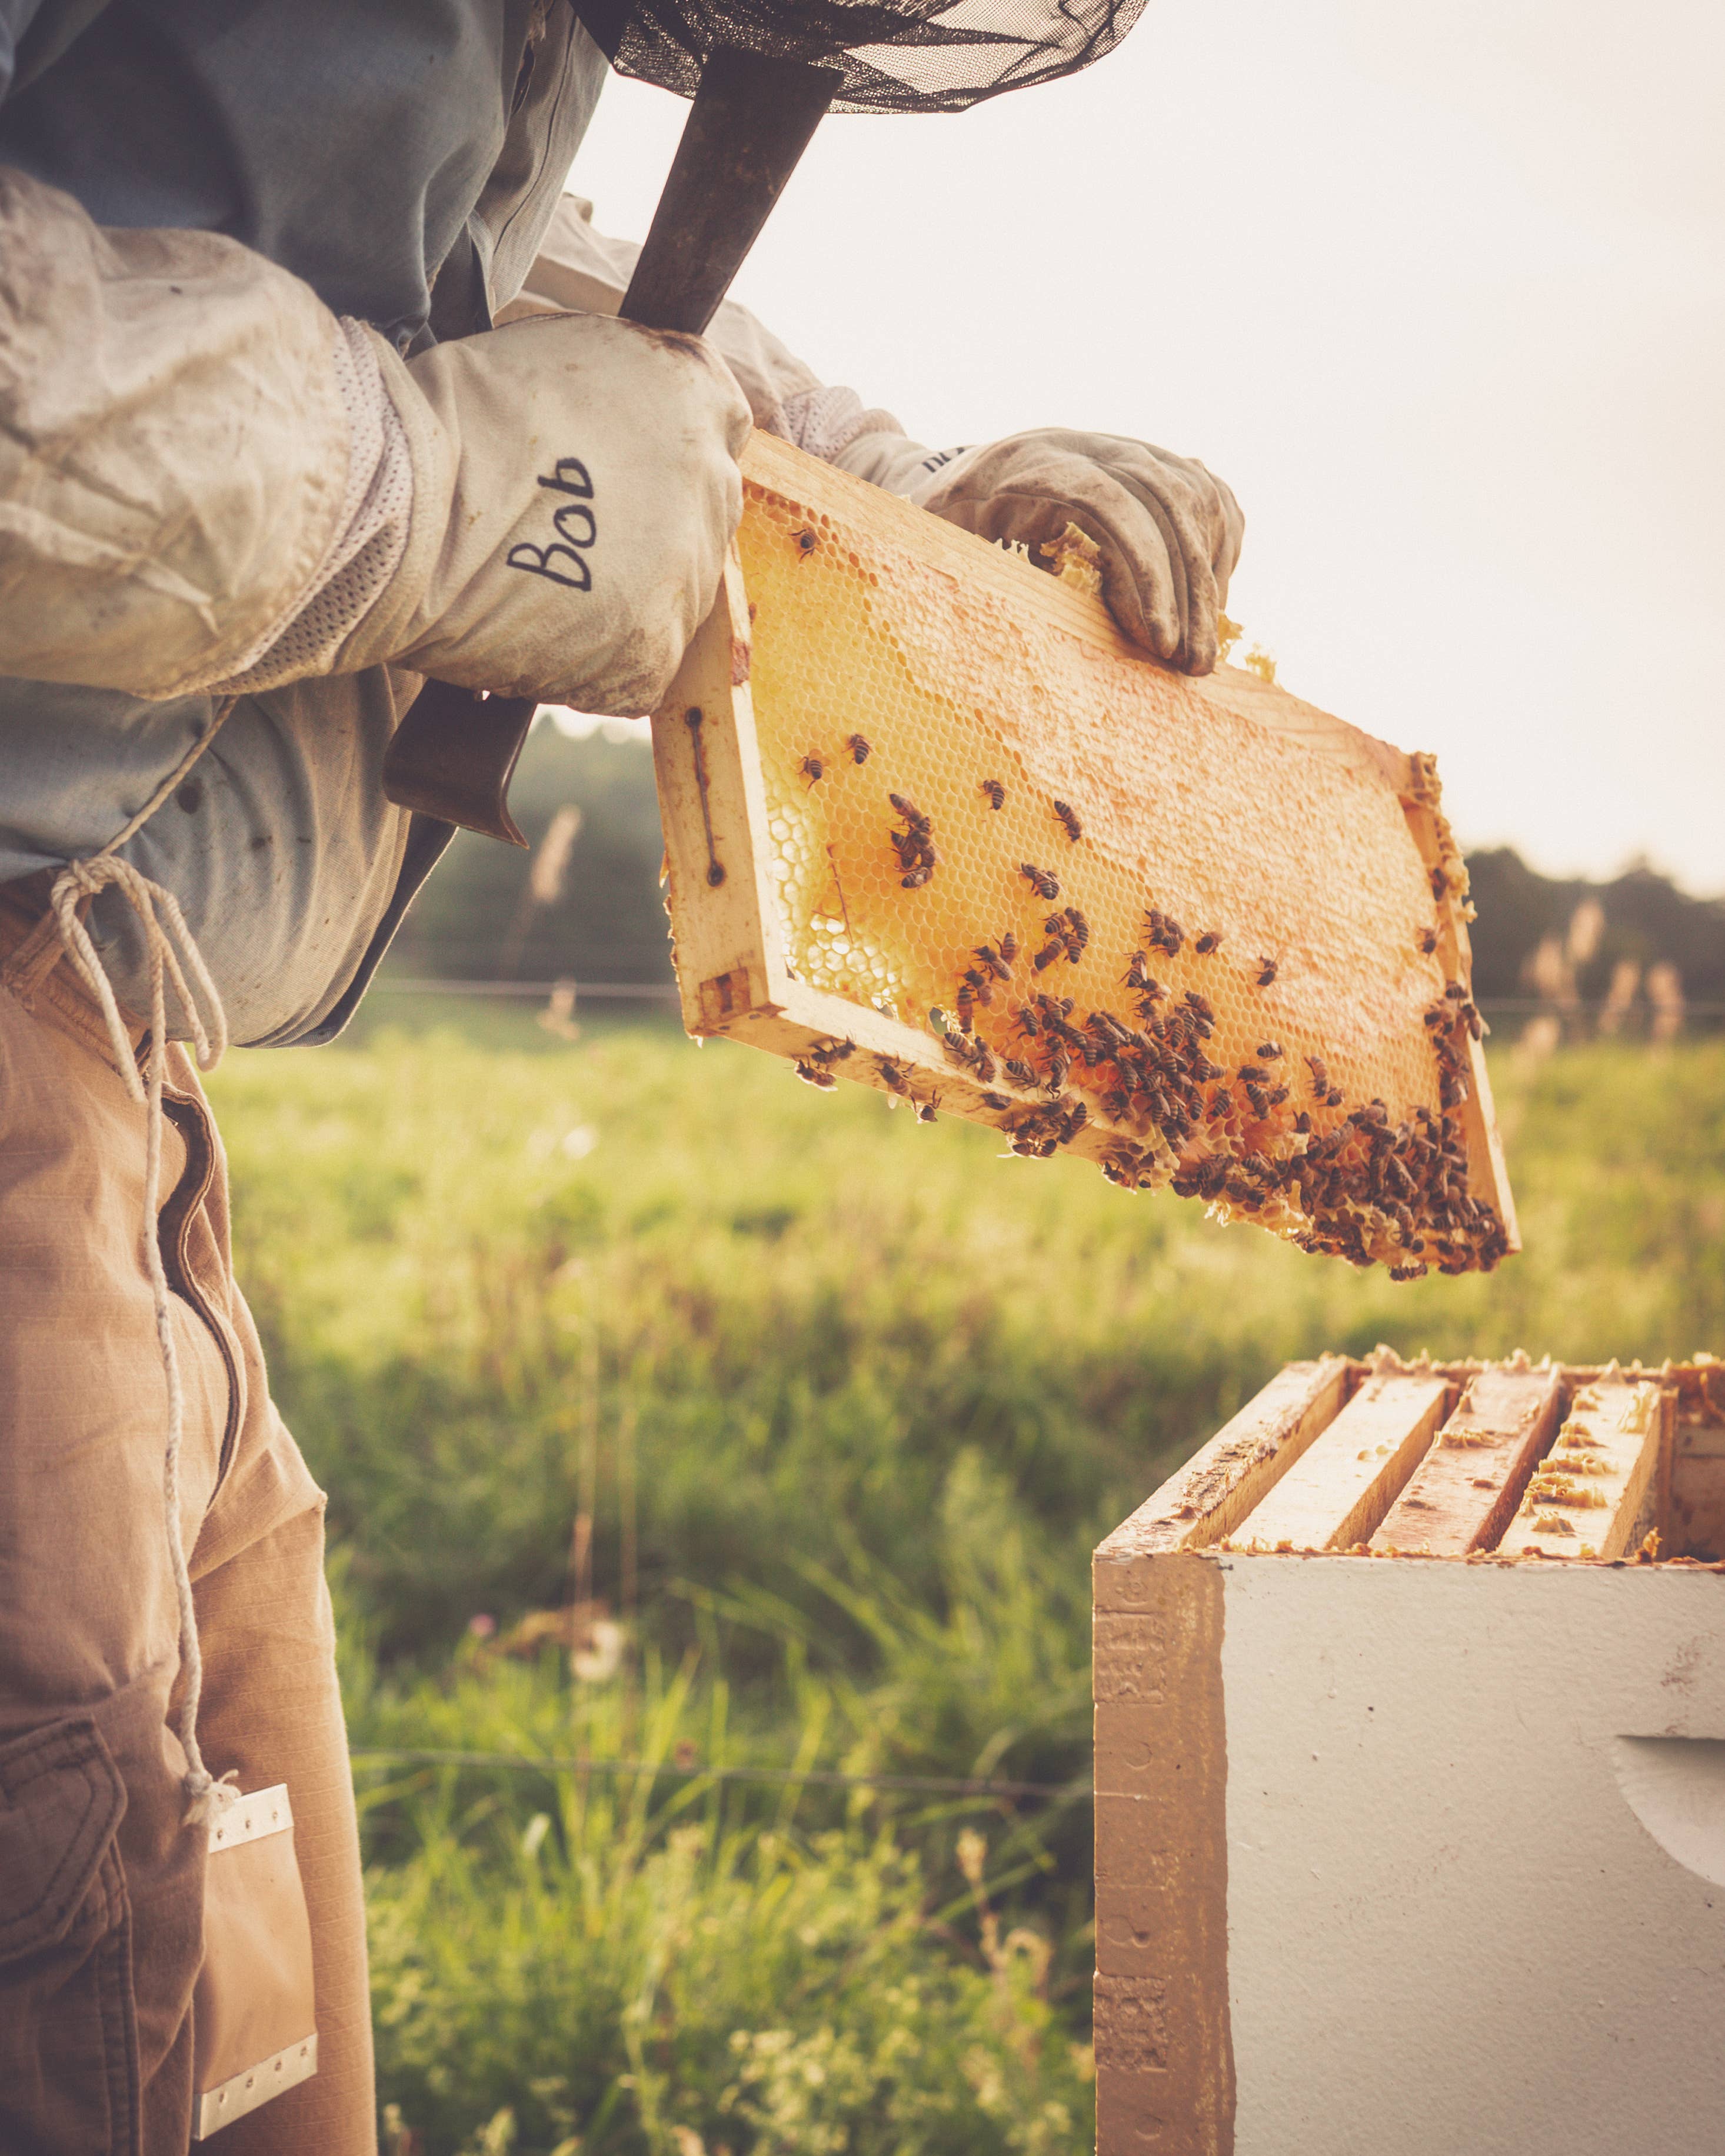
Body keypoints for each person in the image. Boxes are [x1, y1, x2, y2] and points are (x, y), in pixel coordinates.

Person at [0, 5, 1243, 2149]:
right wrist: (439, 486)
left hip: (134, 1097)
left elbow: (420, 256)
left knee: (252, 2061)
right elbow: (417, 407)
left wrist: (897, 501)